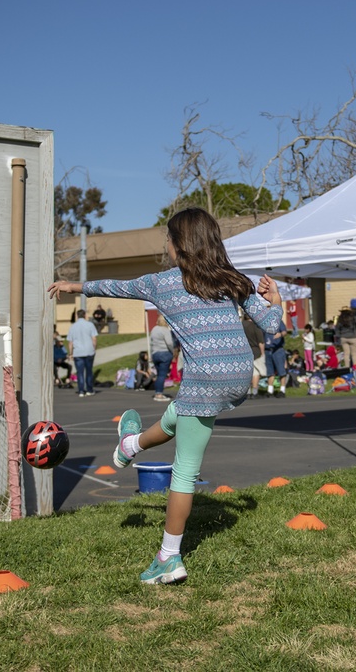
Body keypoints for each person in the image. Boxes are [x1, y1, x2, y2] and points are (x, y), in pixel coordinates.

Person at [48, 207, 282, 585]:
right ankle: (131, 445)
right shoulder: (234, 279)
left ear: (179, 245)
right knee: (180, 414)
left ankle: (168, 558)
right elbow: (272, 325)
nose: (167, 247)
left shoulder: (163, 283)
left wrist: (76, 287)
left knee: (185, 470)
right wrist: (277, 298)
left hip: (205, 377)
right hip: (239, 374)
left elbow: (116, 287)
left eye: (169, 241)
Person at [67, 309, 98, 397]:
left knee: (80, 372)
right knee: (89, 371)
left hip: (78, 352)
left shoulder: (73, 326)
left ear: (77, 316)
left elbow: (70, 342)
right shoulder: (90, 325)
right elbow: (94, 339)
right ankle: (89, 390)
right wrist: (94, 348)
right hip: (89, 351)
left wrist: (70, 353)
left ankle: (81, 391)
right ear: (84, 315)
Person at [149, 315, 177, 403]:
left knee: (158, 375)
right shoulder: (165, 330)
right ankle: (159, 394)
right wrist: (173, 351)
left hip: (155, 354)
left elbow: (151, 343)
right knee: (162, 375)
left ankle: (157, 392)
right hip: (164, 353)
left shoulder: (154, 329)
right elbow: (169, 343)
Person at [242, 313, 266, 398]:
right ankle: (254, 392)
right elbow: (260, 341)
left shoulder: (241, 325)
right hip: (255, 351)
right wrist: (262, 353)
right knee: (256, 372)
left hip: (244, 352)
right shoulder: (255, 326)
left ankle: (248, 392)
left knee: (248, 373)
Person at [264, 319, 289, 397]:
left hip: (277, 349)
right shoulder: (264, 322)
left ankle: (282, 390)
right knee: (270, 371)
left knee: (281, 370)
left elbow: (285, 332)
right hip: (268, 350)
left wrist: (280, 334)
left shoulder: (278, 322)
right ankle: (270, 390)